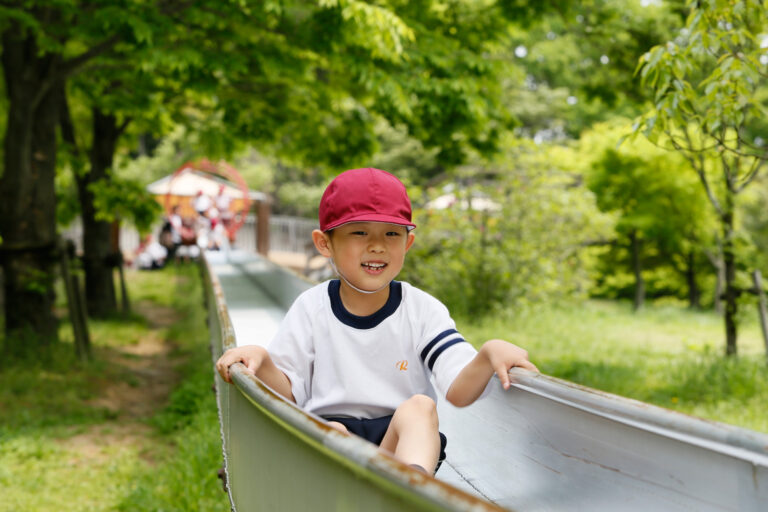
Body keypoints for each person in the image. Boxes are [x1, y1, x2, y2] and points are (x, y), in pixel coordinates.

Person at [215, 167, 538, 475]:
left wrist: (488, 354)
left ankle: (410, 491)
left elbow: (457, 391)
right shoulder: (312, 308)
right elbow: (289, 393)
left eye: (392, 233)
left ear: (407, 243)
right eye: (359, 232)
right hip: (332, 441)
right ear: (325, 243)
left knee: (420, 408)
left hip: (398, 447)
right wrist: (261, 359)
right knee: (330, 429)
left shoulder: (421, 309)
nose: (377, 245)